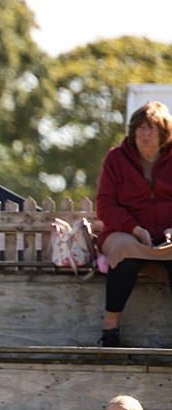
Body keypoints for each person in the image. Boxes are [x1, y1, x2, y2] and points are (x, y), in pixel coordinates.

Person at [96, 101, 172, 347]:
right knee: (124, 251)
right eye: (139, 128)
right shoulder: (116, 159)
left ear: (163, 133)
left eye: (151, 128)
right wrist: (134, 229)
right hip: (125, 231)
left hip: (168, 235)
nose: (144, 134)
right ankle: (110, 330)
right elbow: (105, 205)